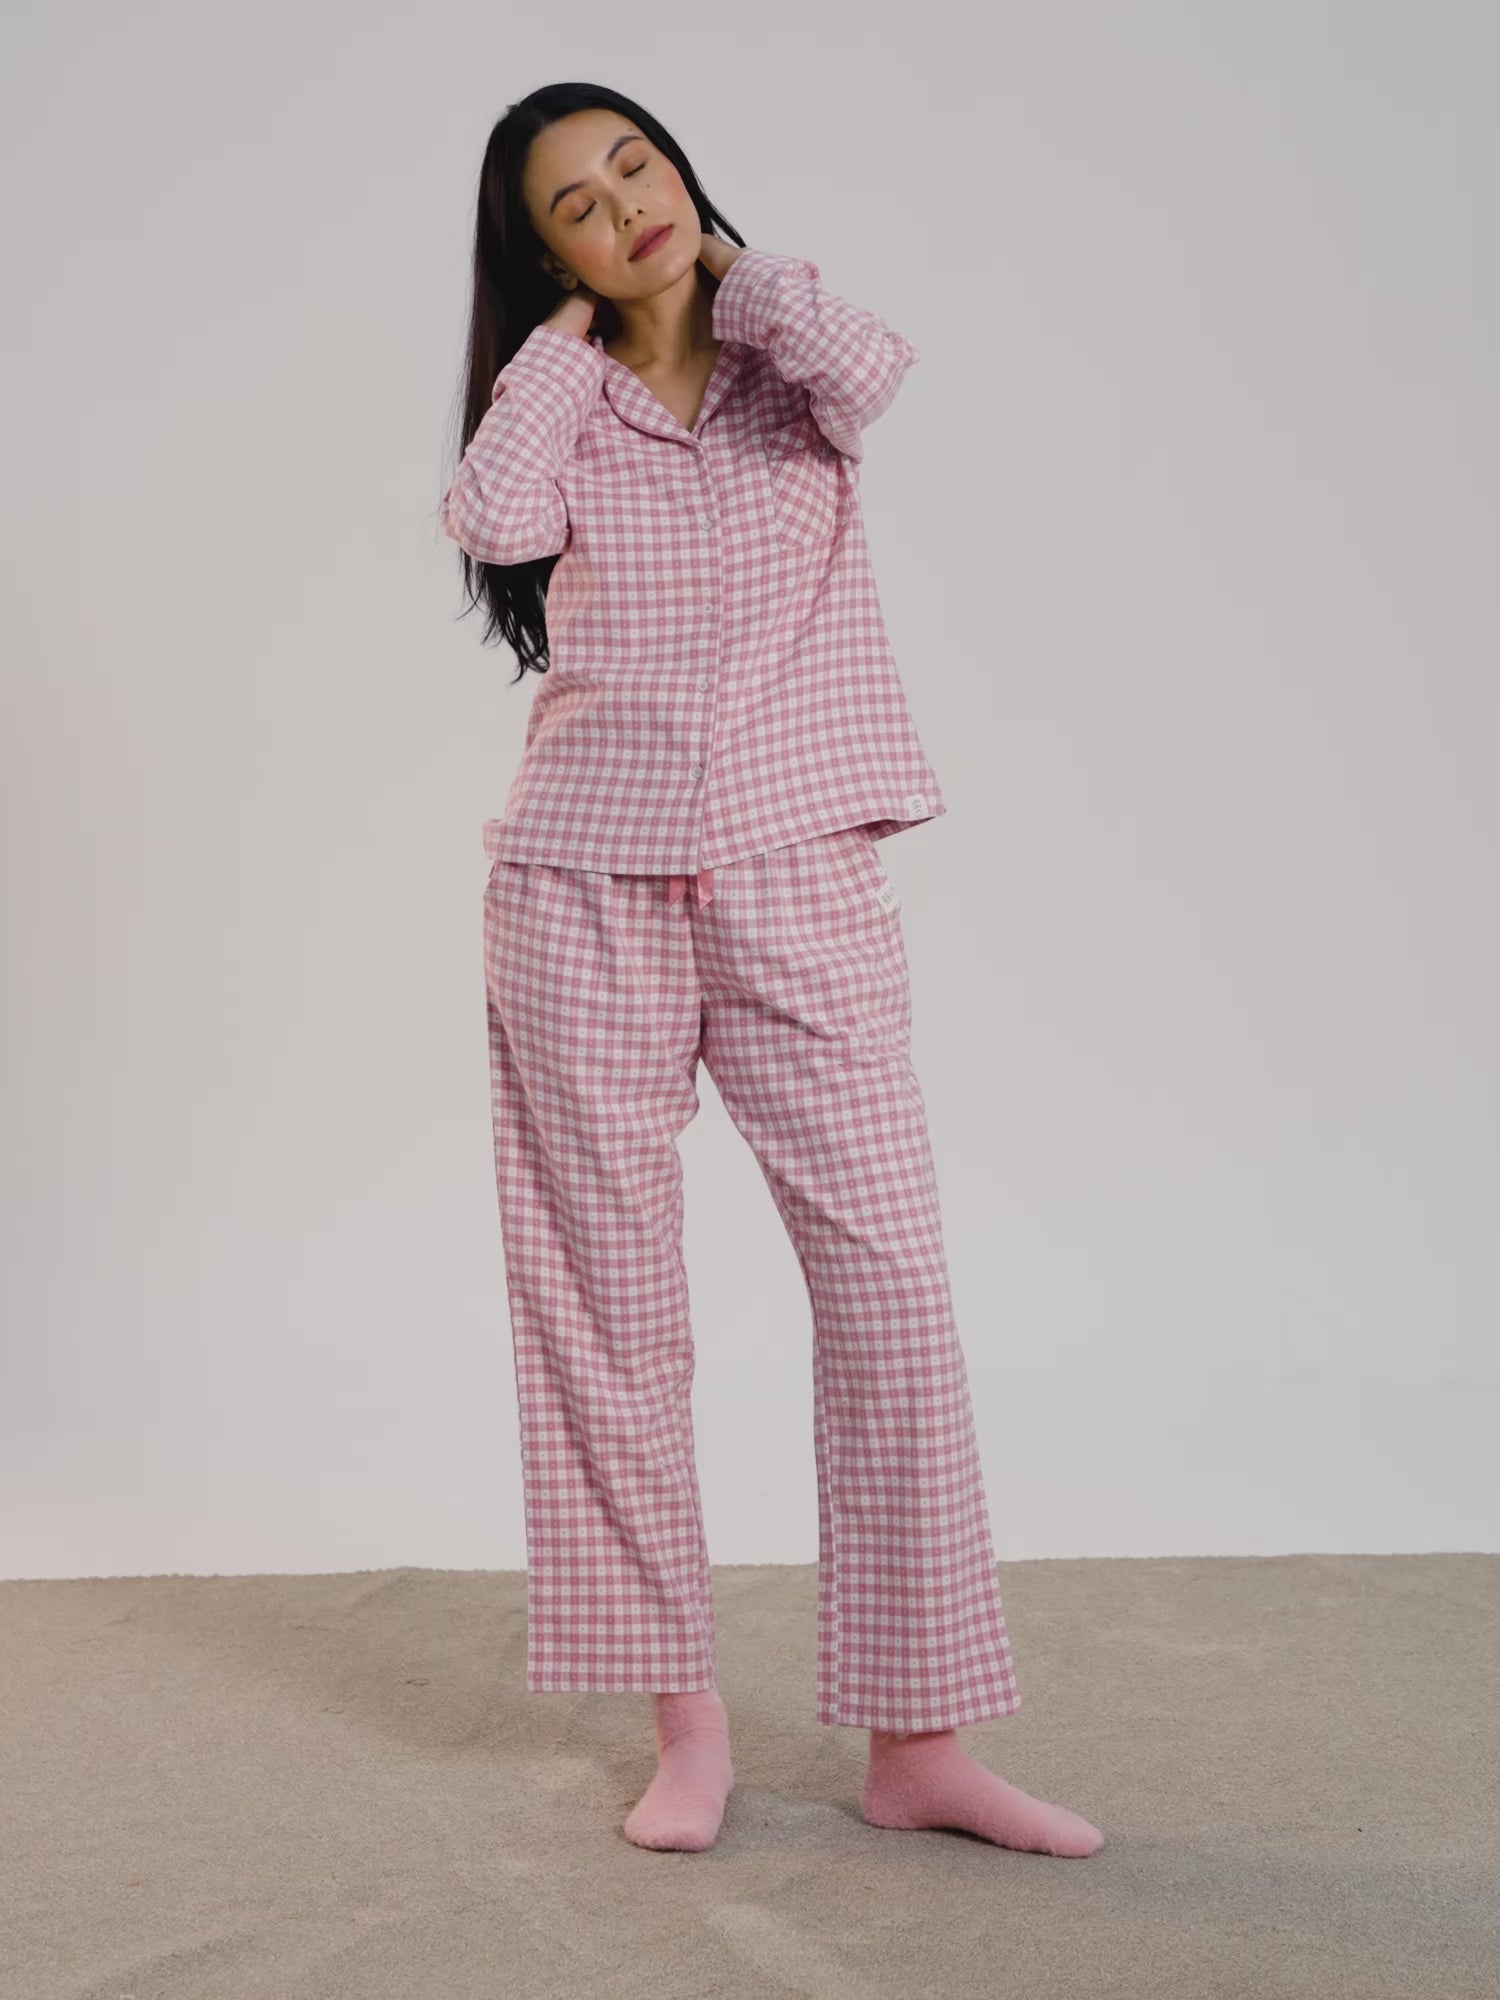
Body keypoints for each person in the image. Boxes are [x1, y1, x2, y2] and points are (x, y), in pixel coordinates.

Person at [439, 80, 1104, 1861]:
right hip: (584, 882)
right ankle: (687, 1731)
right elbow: (491, 521)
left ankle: (919, 1744)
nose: (624, 208)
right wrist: (558, 350)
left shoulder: (791, 367)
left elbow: (877, 367)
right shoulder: (558, 400)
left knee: (890, 1290)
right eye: (576, 206)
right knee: (608, 1314)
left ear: (683, 171)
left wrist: (739, 271)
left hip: (800, 866)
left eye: (635, 167)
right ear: (544, 257)